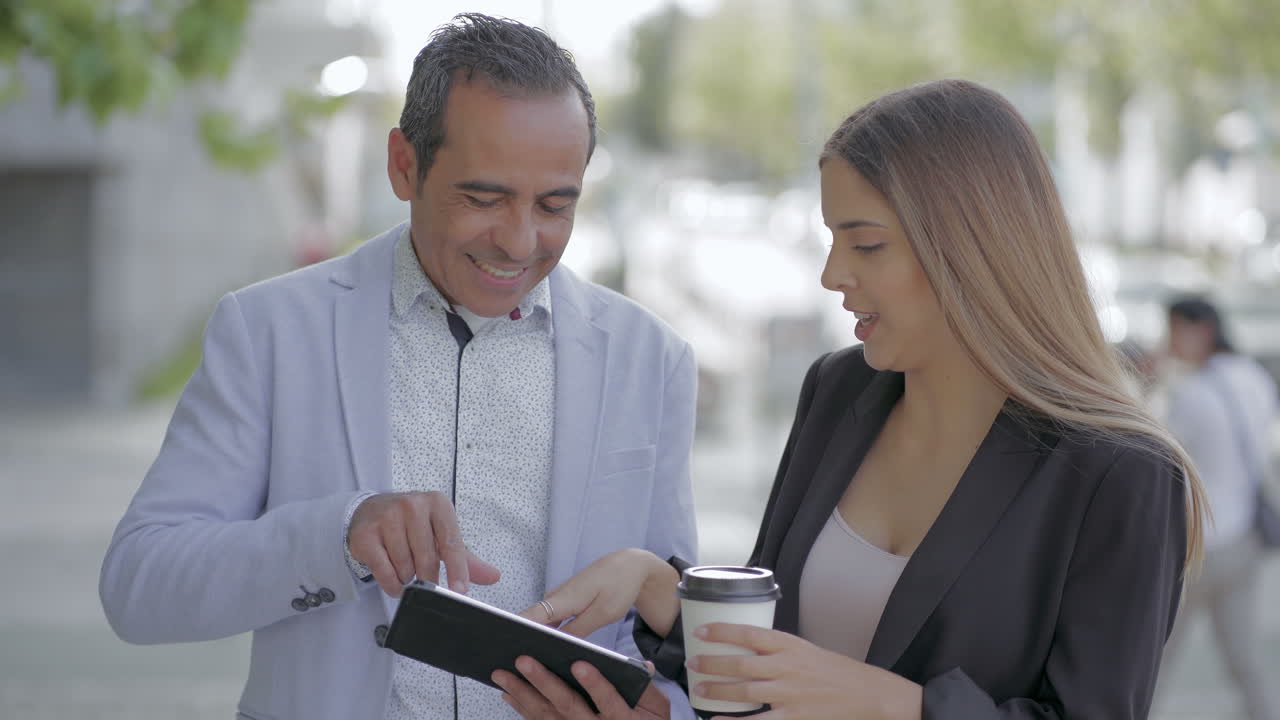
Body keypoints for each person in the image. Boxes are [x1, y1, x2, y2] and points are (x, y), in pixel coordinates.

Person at [511, 79, 1208, 719]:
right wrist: (657, 588)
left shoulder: (1123, 475)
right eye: (831, 240)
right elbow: (773, 669)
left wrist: (891, 704)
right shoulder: (840, 391)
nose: (831, 274)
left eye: (866, 244)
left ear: (971, 248)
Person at [99, 14, 697, 720]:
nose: (519, 241)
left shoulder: (651, 358)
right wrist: (340, 534)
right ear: (403, 165)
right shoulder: (268, 331)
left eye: (555, 206)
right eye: (484, 198)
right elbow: (140, 586)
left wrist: (663, 708)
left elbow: (670, 626)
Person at [1154, 297, 1278, 720]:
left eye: (1173, 331)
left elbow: (1158, 460)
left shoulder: (1191, 395)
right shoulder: (1256, 378)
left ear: (1200, 331)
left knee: (1155, 660)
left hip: (1197, 547)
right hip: (1243, 540)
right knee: (1245, 662)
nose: (1167, 341)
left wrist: (1153, 382)